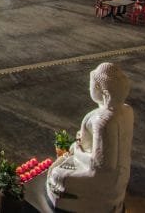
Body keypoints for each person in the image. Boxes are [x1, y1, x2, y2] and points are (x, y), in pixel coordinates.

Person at [46, 63, 134, 212]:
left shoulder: (103, 121)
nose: (89, 89)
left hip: (103, 180)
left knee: (57, 174)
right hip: (122, 177)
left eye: (92, 85)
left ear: (101, 90)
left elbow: (102, 166)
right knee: (62, 165)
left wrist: (77, 151)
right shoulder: (127, 110)